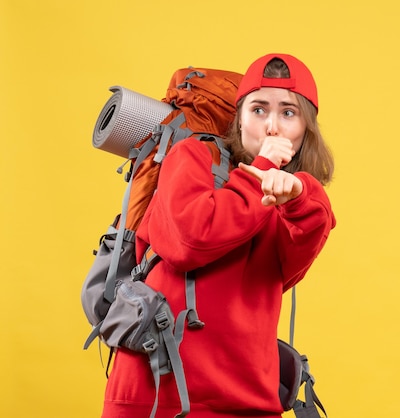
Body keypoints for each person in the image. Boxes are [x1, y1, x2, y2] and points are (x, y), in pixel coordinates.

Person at [100, 53, 336, 418]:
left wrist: (300, 193)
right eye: (259, 110)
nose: (272, 126)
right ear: (238, 120)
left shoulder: (294, 198)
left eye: (288, 113)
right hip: (156, 397)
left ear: (306, 129)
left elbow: (292, 258)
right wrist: (260, 170)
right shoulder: (190, 157)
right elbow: (191, 241)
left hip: (247, 401)